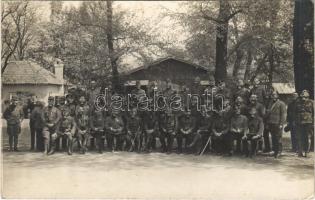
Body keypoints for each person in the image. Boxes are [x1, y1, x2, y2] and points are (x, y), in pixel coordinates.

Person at [265, 91, 286, 158]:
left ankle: (279, 151)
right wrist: (267, 123)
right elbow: (268, 113)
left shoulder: (281, 103)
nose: (273, 96)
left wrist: (281, 124)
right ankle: (275, 150)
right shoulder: (270, 103)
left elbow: (283, 115)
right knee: (273, 137)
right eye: (272, 95)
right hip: (271, 123)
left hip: (277, 123)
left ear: (277, 95)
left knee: (278, 138)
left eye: (274, 95)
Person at [295, 90, 314, 157]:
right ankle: (300, 151)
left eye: (305, 97)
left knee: (308, 137)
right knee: (299, 137)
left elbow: (313, 114)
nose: (304, 98)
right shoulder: (298, 103)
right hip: (299, 122)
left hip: (308, 122)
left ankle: (306, 152)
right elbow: (295, 112)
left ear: (308, 97)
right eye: (302, 97)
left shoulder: (312, 103)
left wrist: (313, 123)